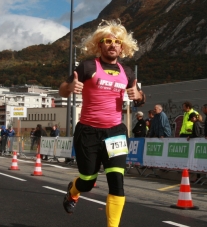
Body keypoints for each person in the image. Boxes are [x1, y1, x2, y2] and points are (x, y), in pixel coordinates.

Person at [58, 19, 145, 227]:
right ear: (100, 45)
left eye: (116, 42)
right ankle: (74, 190)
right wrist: (70, 87)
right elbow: (62, 89)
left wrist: (138, 95)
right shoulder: (88, 66)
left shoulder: (127, 72)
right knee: (87, 181)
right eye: (107, 41)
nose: (112, 45)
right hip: (88, 130)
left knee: (117, 181)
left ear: (122, 47)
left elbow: (140, 97)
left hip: (115, 132)